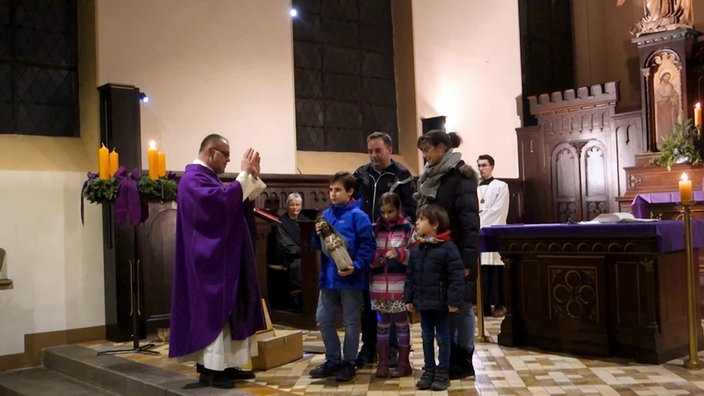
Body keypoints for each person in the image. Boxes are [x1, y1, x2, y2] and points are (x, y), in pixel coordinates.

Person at [169, 134, 267, 389]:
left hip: (223, 258)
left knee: (230, 309)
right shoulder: (193, 179)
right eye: (226, 155)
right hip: (207, 263)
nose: (228, 161)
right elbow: (219, 202)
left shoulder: (206, 178)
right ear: (211, 153)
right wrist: (243, 176)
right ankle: (212, 370)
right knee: (216, 311)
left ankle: (226, 365)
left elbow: (231, 200)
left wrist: (251, 178)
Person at [415, 129, 480, 380]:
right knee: (445, 308)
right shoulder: (430, 177)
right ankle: (448, 359)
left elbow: (469, 224)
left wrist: (465, 262)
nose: (425, 156)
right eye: (422, 151)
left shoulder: (460, 178)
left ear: (442, 148)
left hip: (457, 255)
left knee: (461, 307)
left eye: (427, 150)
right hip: (435, 254)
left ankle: (464, 359)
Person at [353, 131, 417, 368]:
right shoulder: (360, 175)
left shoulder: (401, 175)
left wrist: (395, 236)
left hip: (393, 246)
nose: (373, 155)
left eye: (377, 150)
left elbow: (410, 208)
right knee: (368, 300)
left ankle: (393, 350)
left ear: (389, 149)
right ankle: (369, 347)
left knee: (392, 302)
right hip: (367, 245)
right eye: (370, 151)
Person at [308, 171, 376, 382]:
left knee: (351, 322)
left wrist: (356, 266)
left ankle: (349, 362)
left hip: (351, 279)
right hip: (328, 278)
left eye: (337, 190)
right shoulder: (326, 215)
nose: (333, 194)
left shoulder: (359, 216)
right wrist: (316, 232)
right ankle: (333, 359)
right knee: (323, 319)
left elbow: (368, 246)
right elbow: (315, 246)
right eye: (330, 190)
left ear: (349, 191)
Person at [404, 204, 465, 391]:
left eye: (421, 219)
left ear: (435, 224)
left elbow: (456, 276)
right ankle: (429, 369)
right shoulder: (417, 249)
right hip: (423, 301)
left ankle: (443, 372)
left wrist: (454, 301)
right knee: (426, 336)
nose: (417, 222)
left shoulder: (448, 248)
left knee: (443, 337)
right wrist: (409, 298)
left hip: (442, 303)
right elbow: (411, 276)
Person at [369, 192, 415, 378]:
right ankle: (383, 363)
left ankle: (404, 363)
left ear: (399, 209)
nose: (386, 216)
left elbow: (414, 251)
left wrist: (399, 253)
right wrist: (376, 260)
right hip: (379, 286)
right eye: (383, 212)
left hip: (400, 286)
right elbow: (368, 251)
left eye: (391, 211)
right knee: (382, 325)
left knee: (402, 324)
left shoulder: (408, 228)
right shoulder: (375, 229)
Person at [477, 154, 510, 318]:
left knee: (495, 268)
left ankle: (498, 304)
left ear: (492, 166)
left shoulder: (501, 186)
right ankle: (482, 305)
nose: (481, 169)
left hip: (493, 231)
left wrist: (479, 220)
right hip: (479, 232)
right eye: (479, 166)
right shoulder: (474, 187)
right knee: (481, 269)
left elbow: (500, 209)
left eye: (484, 165)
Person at [274, 192, 310, 309]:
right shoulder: (281, 222)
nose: (295, 207)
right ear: (287, 206)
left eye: (297, 205)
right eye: (292, 205)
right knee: (299, 265)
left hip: (307, 255)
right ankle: (299, 300)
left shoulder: (306, 221)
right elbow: (285, 244)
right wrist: (303, 252)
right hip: (290, 257)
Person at [654, 71, 680, 140]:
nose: (667, 78)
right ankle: (664, 139)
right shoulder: (658, 86)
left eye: (669, 77)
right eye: (666, 77)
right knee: (663, 124)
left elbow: (675, 94)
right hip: (662, 108)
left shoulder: (670, 85)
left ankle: (672, 137)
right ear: (662, 76)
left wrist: (673, 99)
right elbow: (656, 98)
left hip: (670, 107)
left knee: (670, 124)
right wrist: (663, 99)